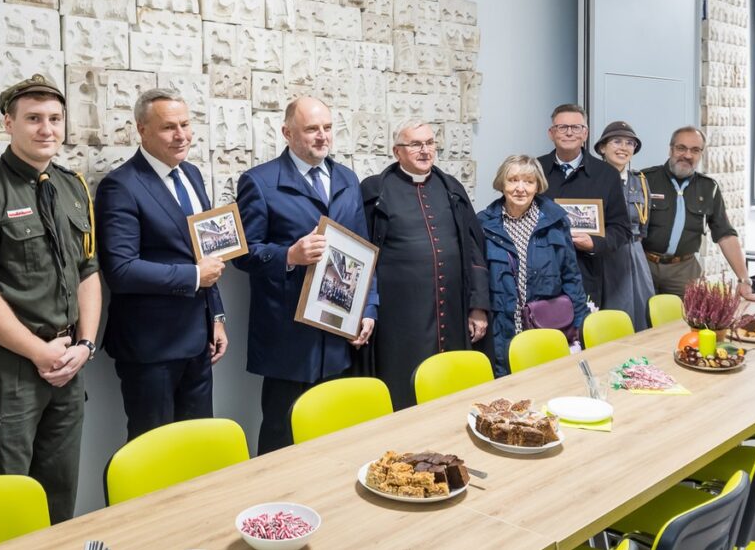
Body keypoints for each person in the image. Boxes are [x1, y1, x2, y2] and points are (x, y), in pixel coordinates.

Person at [0, 74, 102, 523]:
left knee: (58, 496)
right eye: (33, 119)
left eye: (54, 118)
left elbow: (88, 271)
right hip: (8, 368)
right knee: (1, 501)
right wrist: (39, 352)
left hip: (69, 361)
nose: (46, 129)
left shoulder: (73, 186)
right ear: (8, 123)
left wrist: (86, 345)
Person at [234, 97, 376, 454]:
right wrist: (289, 255)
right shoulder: (259, 181)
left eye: (327, 128)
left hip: (337, 330)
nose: (322, 137)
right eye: (312, 129)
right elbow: (243, 252)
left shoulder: (346, 178)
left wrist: (369, 308)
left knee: (332, 433)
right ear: (287, 133)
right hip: (287, 336)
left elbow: (363, 251)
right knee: (283, 434)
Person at [95, 88, 227, 441]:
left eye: (185, 124)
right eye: (169, 127)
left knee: (199, 447)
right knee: (153, 451)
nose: (181, 135)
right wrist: (195, 276)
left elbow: (206, 252)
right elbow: (121, 270)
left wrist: (215, 317)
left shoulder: (193, 175)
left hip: (199, 341)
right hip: (151, 350)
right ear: (142, 130)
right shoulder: (120, 186)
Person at [360, 119, 491, 410]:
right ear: (397, 151)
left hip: (453, 311)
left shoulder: (451, 188)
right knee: (403, 389)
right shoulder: (375, 190)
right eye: (416, 144)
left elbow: (473, 249)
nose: (425, 150)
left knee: (452, 388)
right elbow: (361, 253)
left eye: (430, 143)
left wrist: (478, 305)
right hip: (399, 319)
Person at [477, 155, 590, 376]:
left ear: (538, 185)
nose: (520, 188)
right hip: (502, 324)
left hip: (546, 324)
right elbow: (475, 279)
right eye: (513, 180)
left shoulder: (556, 222)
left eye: (528, 181)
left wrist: (580, 324)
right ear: (502, 183)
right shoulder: (483, 224)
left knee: (548, 380)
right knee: (507, 383)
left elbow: (571, 276)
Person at [641, 126, 755, 302]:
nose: (687, 155)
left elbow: (725, 235)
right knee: (641, 322)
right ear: (670, 149)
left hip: (684, 270)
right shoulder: (645, 179)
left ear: (701, 154)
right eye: (681, 148)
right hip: (644, 264)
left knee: (687, 322)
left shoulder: (709, 187)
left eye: (695, 150)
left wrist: (744, 280)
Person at [538, 104, 630, 309]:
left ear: (585, 133)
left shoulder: (607, 174)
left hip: (587, 273)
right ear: (551, 133)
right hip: (541, 272)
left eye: (576, 127)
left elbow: (622, 229)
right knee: (542, 335)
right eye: (562, 127)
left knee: (582, 336)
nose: (569, 132)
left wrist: (595, 243)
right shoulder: (535, 169)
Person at [593, 121, 655, 330]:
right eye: (616, 141)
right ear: (602, 147)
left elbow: (644, 223)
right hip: (606, 255)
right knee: (612, 315)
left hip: (635, 254)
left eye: (629, 143)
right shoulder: (591, 178)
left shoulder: (640, 181)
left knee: (643, 313)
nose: (623, 147)